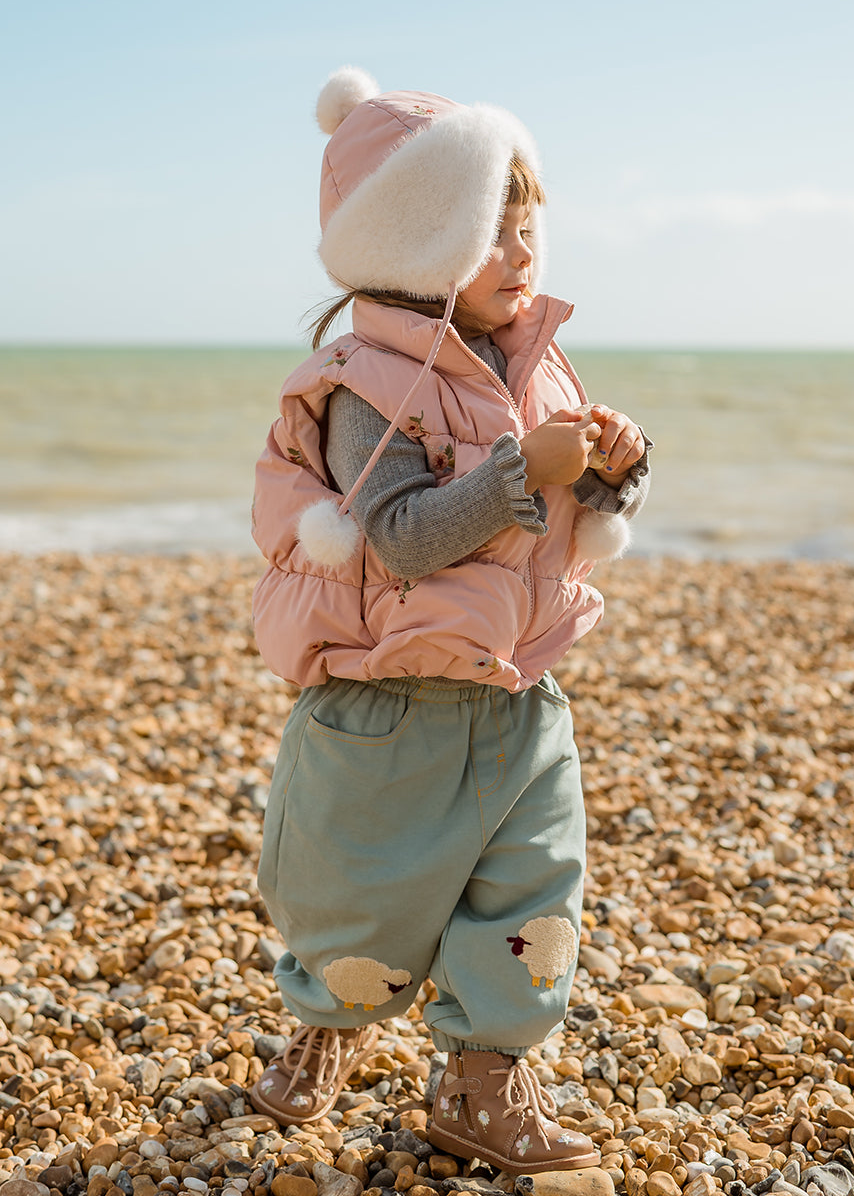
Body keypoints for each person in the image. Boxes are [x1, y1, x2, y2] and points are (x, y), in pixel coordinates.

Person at [248, 66, 652, 1176]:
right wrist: (524, 471)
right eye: (491, 233)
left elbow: (570, 508)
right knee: (356, 899)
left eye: (529, 228)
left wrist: (612, 469)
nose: (522, 255)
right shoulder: (365, 386)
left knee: (531, 894)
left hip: (520, 696)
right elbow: (399, 538)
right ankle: (328, 1022)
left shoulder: (535, 364)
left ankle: (483, 1082)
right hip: (390, 703)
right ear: (417, 248)